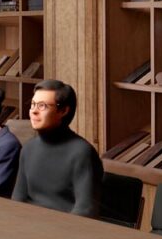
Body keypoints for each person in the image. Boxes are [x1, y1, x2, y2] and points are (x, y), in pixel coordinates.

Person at [11, 80, 101, 217]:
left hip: (65, 227)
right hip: (27, 224)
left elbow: (85, 210)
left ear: (63, 111)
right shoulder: (28, 148)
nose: (34, 111)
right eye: (33, 104)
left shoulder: (82, 152)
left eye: (42, 106)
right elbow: (17, 200)